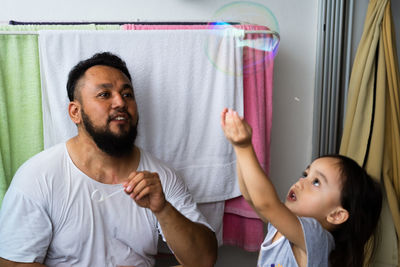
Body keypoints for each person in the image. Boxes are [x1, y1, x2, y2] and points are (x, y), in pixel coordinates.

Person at [0, 52, 217, 267]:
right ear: (75, 112)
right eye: (104, 94)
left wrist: (162, 208)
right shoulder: (38, 176)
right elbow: (12, 264)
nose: (120, 103)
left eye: (127, 94)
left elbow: (203, 261)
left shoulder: (160, 178)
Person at [220, 108, 382, 267]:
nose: (301, 181)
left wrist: (244, 146)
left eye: (316, 182)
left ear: (336, 215)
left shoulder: (317, 238)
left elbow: (266, 204)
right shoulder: (283, 225)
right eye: (305, 174)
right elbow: (251, 196)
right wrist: (236, 145)